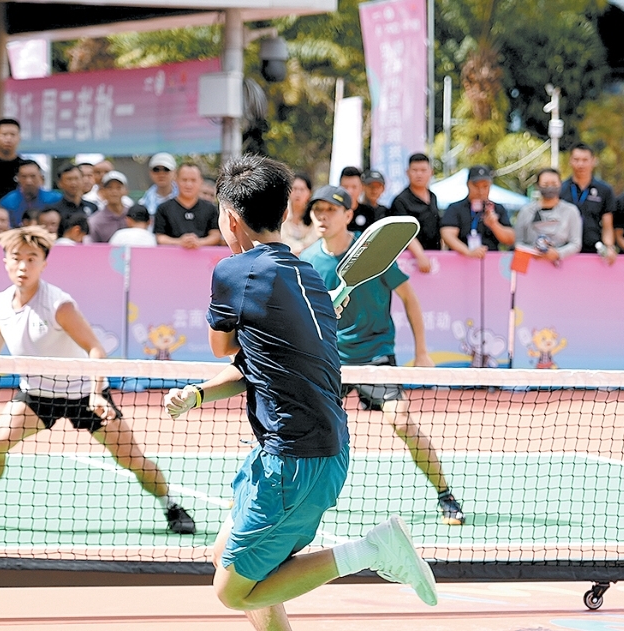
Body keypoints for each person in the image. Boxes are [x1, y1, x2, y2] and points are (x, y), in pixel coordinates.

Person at [163, 155, 437, 631]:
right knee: (224, 555)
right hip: (307, 449)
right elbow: (262, 364)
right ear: (287, 211)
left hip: (293, 460)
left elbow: (222, 347)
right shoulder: (309, 275)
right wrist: (199, 395)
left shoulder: (234, 271)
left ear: (229, 218)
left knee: (232, 591)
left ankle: (370, 550)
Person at [0, 225, 195, 535]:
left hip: (84, 393)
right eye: (16, 257)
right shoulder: (1, 303)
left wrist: (97, 393)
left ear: (44, 263)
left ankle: (171, 506)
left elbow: (95, 348)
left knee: (132, 460)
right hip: (36, 394)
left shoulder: (59, 305)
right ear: (5, 261)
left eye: (31, 259)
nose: (23, 266)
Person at [301, 184, 465, 526]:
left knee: (402, 422)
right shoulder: (307, 260)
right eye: (317, 210)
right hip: (332, 359)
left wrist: (422, 351)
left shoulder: (371, 254)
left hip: (376, 356)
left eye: (330, 210)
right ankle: (264, 488)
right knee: (299, 425)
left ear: (348, 214)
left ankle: (445, 495)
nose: (322, 216)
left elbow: (409, 298)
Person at [440, 165, 514, 258]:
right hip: (462, 260)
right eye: (476, 186)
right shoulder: (455, 208)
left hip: (490, 261)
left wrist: (494, 225)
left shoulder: (498, 209)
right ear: (468, 184)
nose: (481, 191)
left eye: (485, 186)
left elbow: (510, 239)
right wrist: (468, 252)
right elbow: (447, 235)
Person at [560, 143, 616, 263]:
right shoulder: (561, 188)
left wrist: (609, 246)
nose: (580, 164)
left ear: (593, 161)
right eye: (576, 160)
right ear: (570, 161)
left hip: (594, 251)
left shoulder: (604, 190)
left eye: (585, 160)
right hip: (564, 251)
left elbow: (607, 225)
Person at [513, 168, 583, 264]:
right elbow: (518, 242)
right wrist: (533, 251)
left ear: (560, 184)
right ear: (538, 186)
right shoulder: (526, 211)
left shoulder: (571, 211)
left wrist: (558, 253)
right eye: (545, 184)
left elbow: (576, 243)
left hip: (563, 266)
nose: (550, 188)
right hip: (532, 265)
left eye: (554, 184)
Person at [391, 153, 443, 273]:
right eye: (415, 170)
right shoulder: (400, 201)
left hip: (434, 257)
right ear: (407, 172)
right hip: (410, 260)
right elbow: (404, 232)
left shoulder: (433, 197)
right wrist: (420, 255)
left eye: (423, 170)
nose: (419, 174)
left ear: (431, 172)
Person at [154, 164, 221, 248]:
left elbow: (215, 235)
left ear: (201, 181)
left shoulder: (210, 209)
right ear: (176, 180)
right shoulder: (163, 208)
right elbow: (160, 237)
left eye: (193, 180)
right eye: (184, 180)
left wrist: (198, 242)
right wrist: (179, 242)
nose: (188, 184)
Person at [0, 160, 62, 227]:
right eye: (24, 176)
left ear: (41, 177)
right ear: (18, 178)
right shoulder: (7, 202)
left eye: (33, 176)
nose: (28, 181)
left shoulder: (55, 199)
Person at [88, 171, 131, 243]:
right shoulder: (95, 221)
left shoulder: (133, 215)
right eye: (109, 188)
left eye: (118, 188)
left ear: (126, 191)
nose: (114, 192)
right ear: (102, 191)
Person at [280, 172, 317, 255]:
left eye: (302, 189)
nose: (298, 193)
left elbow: (313, 240)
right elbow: (281, 237)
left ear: (309, 192)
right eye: (295, 189)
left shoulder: (314, 213)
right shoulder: (281, 210)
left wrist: (300, 249)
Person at [339, 166, 382, 231]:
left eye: (354, 187)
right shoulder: (335, 212)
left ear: (362, 188)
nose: (349, 191)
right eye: (345, 187)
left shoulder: (369, 212)